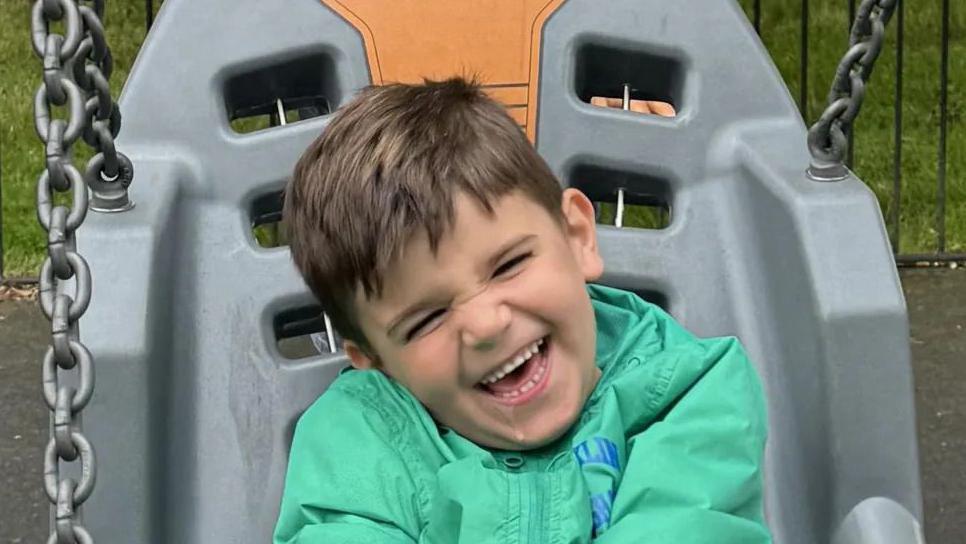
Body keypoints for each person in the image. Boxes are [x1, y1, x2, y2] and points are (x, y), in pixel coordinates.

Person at [274, 77, 771, 543]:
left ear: (577, 236)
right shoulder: (357, 440)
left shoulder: (689, 393)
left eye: (508, 265)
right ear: (374, 359)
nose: (486, 325)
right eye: (426, 320)